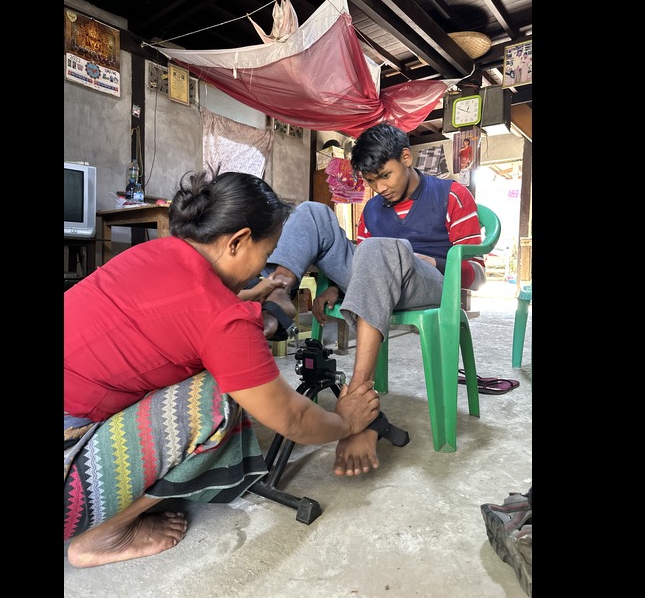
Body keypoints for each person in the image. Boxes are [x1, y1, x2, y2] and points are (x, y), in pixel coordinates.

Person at [63, 170, 381, 569]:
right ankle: (103, 536)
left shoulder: (154, 252)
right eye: (266, 256)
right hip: (69, 467)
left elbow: (180, 307)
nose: (263, 268)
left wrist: (248, 298)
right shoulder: (223, 319)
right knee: (219, 397)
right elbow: (294, 418)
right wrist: (346, 422)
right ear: (237, 241)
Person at [255, 123, 486, 478]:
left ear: (406, 158)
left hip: (430, 284)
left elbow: (478, 272)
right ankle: (277, 293)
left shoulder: (452, 195)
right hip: (378, 274)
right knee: (313, 212)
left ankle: (359, 405)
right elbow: (366, 266)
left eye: (385, 176)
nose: (379, 189)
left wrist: (432, 262)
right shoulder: (374, 210)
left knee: (379, 248)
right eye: (370, 182)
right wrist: (337, 284)